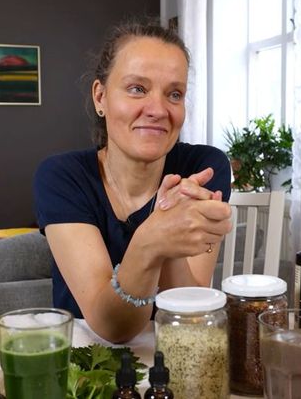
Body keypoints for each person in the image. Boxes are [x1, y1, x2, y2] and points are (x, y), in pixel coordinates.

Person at [34, 19, 232, 343]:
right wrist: (152, 240)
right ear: (100, 97)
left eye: (174, 94)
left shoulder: (204, 168)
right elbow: (113, 327)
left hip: (172, 353)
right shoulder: (61, 177)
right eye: (137, 89)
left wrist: (169, 241)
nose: (158, 110)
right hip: (87, 358)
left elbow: (190, 312)